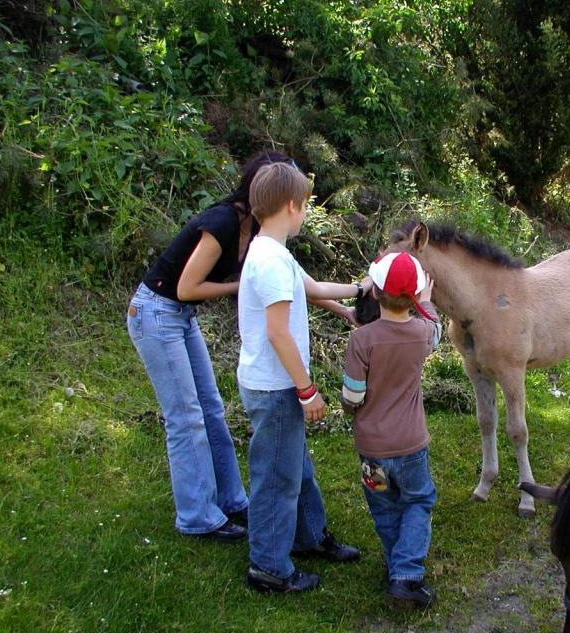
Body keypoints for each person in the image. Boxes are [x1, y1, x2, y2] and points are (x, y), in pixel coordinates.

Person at [127, 151, 354, 542]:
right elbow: (187, 287)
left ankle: (233, 501)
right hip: (156, 311)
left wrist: (347, 310)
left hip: (181, 316)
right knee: (186, 417)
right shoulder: (223, 221)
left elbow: (300, 286)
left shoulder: (266, 235)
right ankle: (198, 515)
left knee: (212, 409)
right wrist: (247, 285)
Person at [238, 161, 363, 593]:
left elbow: (310, 288)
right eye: (306, 205)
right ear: (292, 205)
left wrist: (356, 294)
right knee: (276, 477)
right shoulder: (269, 261)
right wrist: (307, 391)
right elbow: (277, 332)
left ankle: (308, 536)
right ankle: (268, 567)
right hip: (276, 387)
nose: (305, 213)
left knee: (295, 466)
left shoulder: (273, 251)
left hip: (277, 384)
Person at [340, 251, 442, 608]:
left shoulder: (361, 341)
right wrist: (426, 302)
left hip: (372, 449)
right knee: (417, 500)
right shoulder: (422, 334)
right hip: (412, 446)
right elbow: (437, 329)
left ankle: (395, 565)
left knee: (384, 506)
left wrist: (349, 409)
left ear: (376, 292)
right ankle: (407, 573)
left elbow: (352, 396)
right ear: (414, 295)